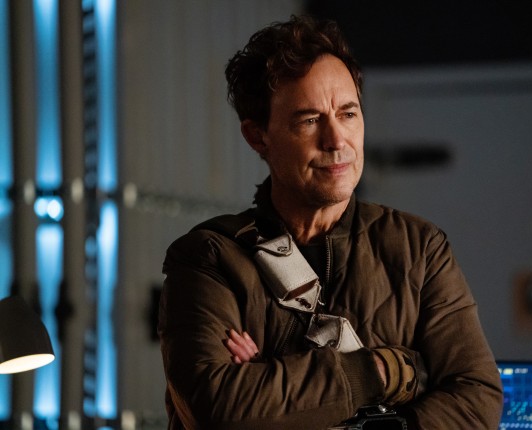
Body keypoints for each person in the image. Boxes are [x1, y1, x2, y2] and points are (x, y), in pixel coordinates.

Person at [158, 15, 503, 429]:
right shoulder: (209, 258)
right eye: (309, 120)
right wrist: (383, 371)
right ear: (257, 136)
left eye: (348, 114)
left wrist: (274, 385)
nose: (337, 140)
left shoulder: (420, 249)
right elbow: (219, 410)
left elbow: (477, 401)